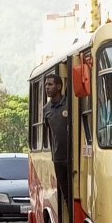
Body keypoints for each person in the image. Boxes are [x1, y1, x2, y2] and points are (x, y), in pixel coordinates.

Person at [43, 74, 69, 202]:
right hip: (58, 159)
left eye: (50, 84)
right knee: (66, 196)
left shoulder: (69, 105)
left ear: (59, 86)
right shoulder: (46, 109)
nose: (47, 87)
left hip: (72, 158)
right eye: (46, 85)